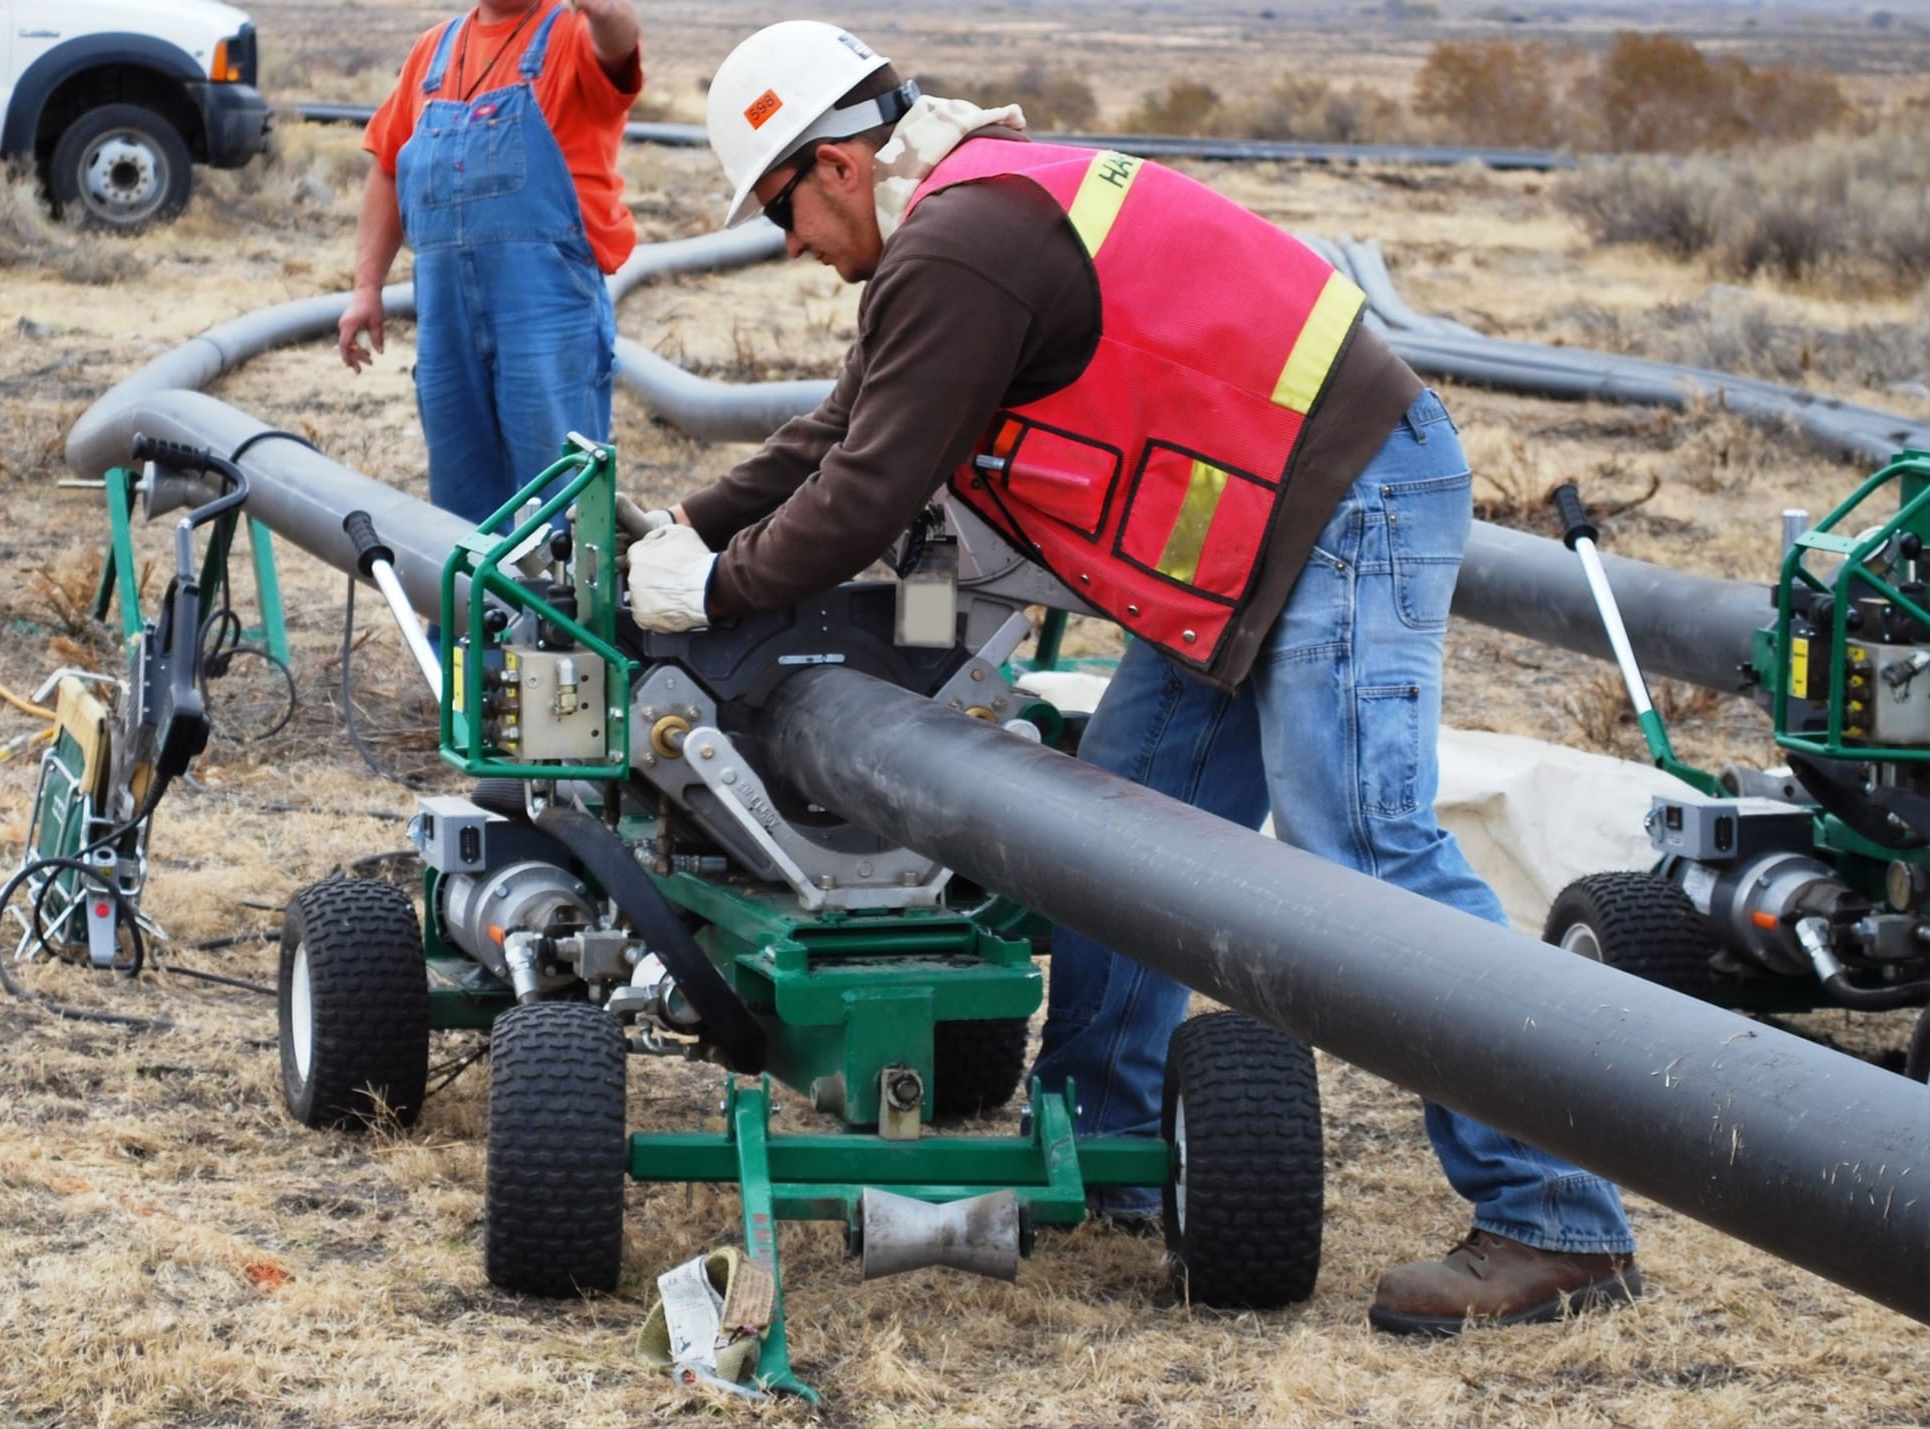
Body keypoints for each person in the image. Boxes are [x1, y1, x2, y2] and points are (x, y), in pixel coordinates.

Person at [625, 20, 1643, 1336]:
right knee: (1111, 831)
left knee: (1366, 844)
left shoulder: (958, 242)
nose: (792, 247)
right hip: (1243, 538)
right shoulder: (965, 213)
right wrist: (692, 528)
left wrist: (722, 588)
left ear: (834, 164)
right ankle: (1108, 1146)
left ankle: (1554, 1218)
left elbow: (873, 489)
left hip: (1343, 499)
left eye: (781, 210)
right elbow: (842, 424)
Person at [339, 0, 640, 530]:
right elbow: (388, 169)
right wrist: (367, 285)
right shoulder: (432, 52)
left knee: (561, 496)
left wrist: (609, 11)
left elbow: (617, 44)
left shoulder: (571, 34)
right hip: (444, 319)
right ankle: (467, 615)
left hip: (546, 308)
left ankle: (562, 616)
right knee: (460, 507)